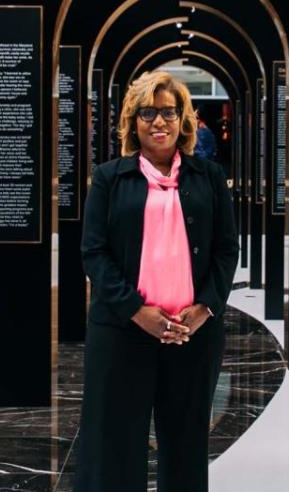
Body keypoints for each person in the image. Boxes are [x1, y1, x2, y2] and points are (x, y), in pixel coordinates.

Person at [76, 70, 238, 492]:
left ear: (183, 119)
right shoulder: (110, 178)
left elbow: (226, 249)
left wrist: (205, 308)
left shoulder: (209, 177)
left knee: (185, 444)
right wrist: (137, 311)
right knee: (115, 444)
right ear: (133, 120)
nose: (159, 122)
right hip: (122, 332)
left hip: (193, 335)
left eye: (168, 112)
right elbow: (94, 253)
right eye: (148, 112)